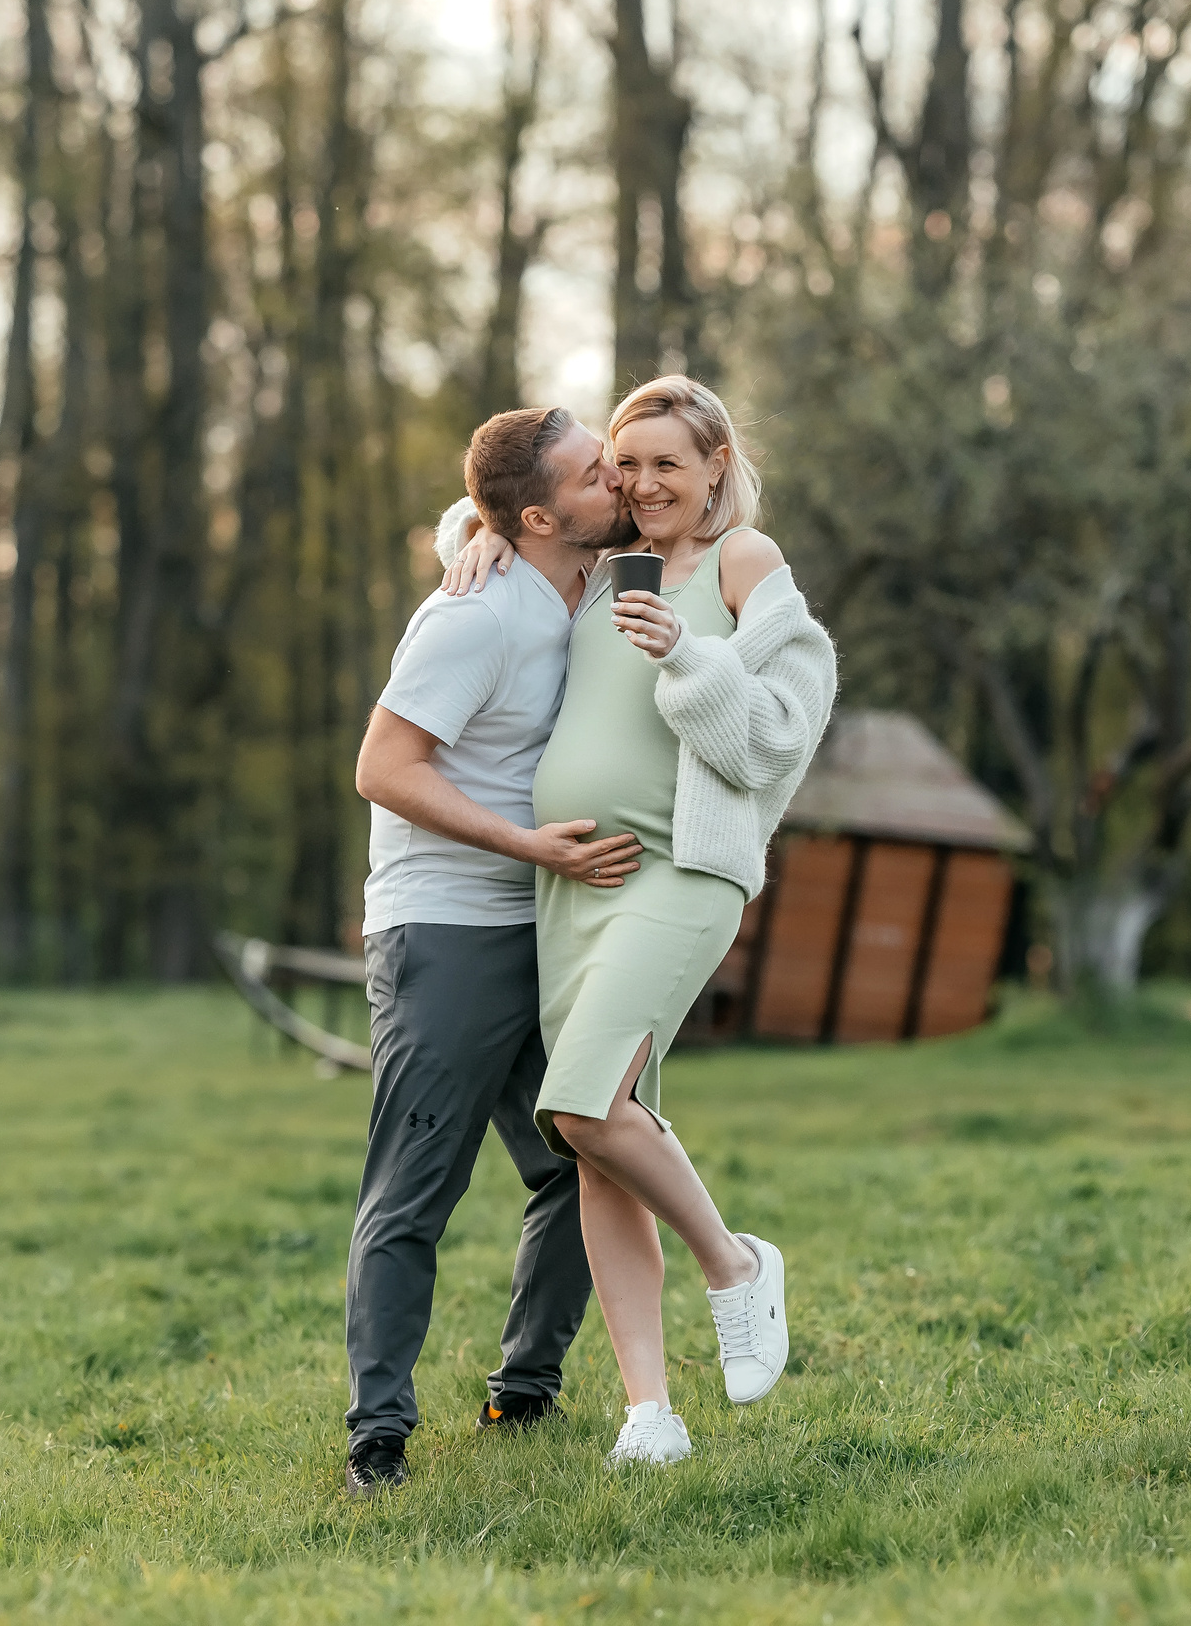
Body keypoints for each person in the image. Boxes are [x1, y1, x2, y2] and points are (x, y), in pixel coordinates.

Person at [440, 374, 837, 1468]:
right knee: (593, 1147)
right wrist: (470, 536)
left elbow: (780, 733)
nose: (643, 482)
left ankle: (734, 1263)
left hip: (681, 867)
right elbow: (521, 509)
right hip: (575, 885)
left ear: (716, 466)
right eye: (627, 463)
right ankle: (647, 1417)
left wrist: (686, 654)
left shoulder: (741, 564)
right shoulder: (602, 556)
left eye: (668, 462)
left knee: (574, 1103)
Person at [339, 406, 642, 1499]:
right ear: (536, 514)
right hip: (448, 929)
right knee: (415, 1189)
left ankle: (525, 1391)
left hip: (552, 925)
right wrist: (522, 844)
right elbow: (383, 767)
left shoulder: (590, 581)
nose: (615, 477)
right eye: (592, 471)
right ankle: (378, 1438)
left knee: (588, 1157)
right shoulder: (472, 616)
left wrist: (461, 526)